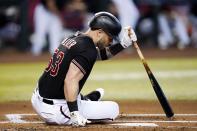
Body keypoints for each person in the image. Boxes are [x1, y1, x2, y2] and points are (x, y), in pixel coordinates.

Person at [31, 12, 137, 126]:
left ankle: (85, 100)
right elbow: (70, 80)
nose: (111, 42)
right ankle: (81, 105)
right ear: (100, 32)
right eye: (110, 37)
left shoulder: (76, 37)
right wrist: (74, 114)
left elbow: (97, 55)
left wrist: (123, 44)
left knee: (74, 91)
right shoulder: (87, 49)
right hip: (55, 110)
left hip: (38, 97)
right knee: (113, 109)